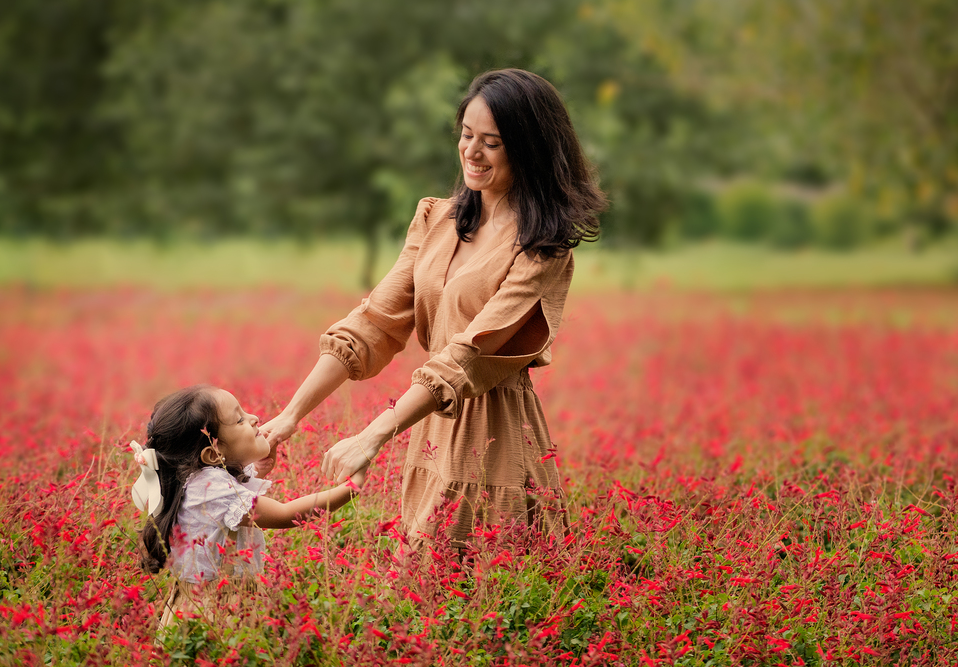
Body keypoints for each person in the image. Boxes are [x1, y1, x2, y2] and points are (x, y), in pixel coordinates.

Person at [260, 68, 607, 545]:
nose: (472, 152)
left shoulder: (542, 247)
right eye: (466, 135)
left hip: (496, 433)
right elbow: (372, 323)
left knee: (491, 574)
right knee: (426, 578)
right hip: (431, 427)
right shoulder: (437, 219)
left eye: (492, 142)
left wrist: (373, 435)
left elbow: (469, 354)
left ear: (529, 149)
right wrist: (290, 415)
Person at [129, 384, 366, 628]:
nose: (254, 418)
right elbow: (286, 514)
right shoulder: (212, 491)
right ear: (213, 454)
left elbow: (232, 489)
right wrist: (351, 488)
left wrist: (259, 466)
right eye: (240, 419)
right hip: (217, 612)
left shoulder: (199, 480)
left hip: (202, 602)